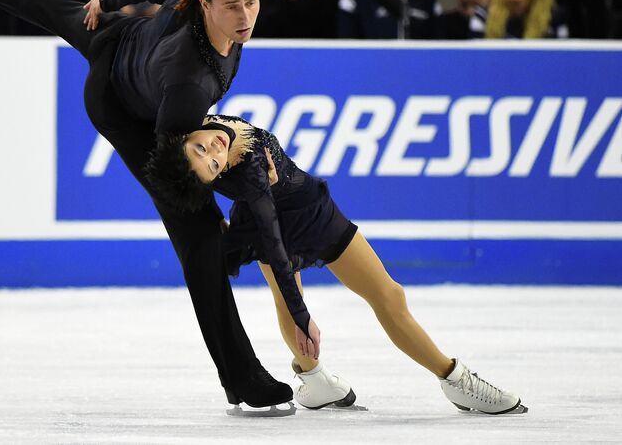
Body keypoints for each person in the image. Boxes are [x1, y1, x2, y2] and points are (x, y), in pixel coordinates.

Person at [0, 0, 293, 413]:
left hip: (126, 40)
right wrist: (215, 220)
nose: (245, 16)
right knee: (198, 236)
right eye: (232, 6)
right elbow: (172, 168)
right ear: (206, 4)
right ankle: (244, 378)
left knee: (63, 9)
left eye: (251, 2)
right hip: (123, 110)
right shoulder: (189, 79)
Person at [144, 113, 529, 415]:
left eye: (201, 149)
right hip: (272, 224)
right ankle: (326, 379)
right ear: (218, 178)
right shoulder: (252, 176)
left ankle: (442, 379)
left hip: (312, 210)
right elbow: (277, 250)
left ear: (183, 138)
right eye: (212, 165)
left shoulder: (190, 114)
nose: (214, 150)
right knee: (287, 303)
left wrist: (106, 7)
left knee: (389, 296)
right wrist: (302, 313)